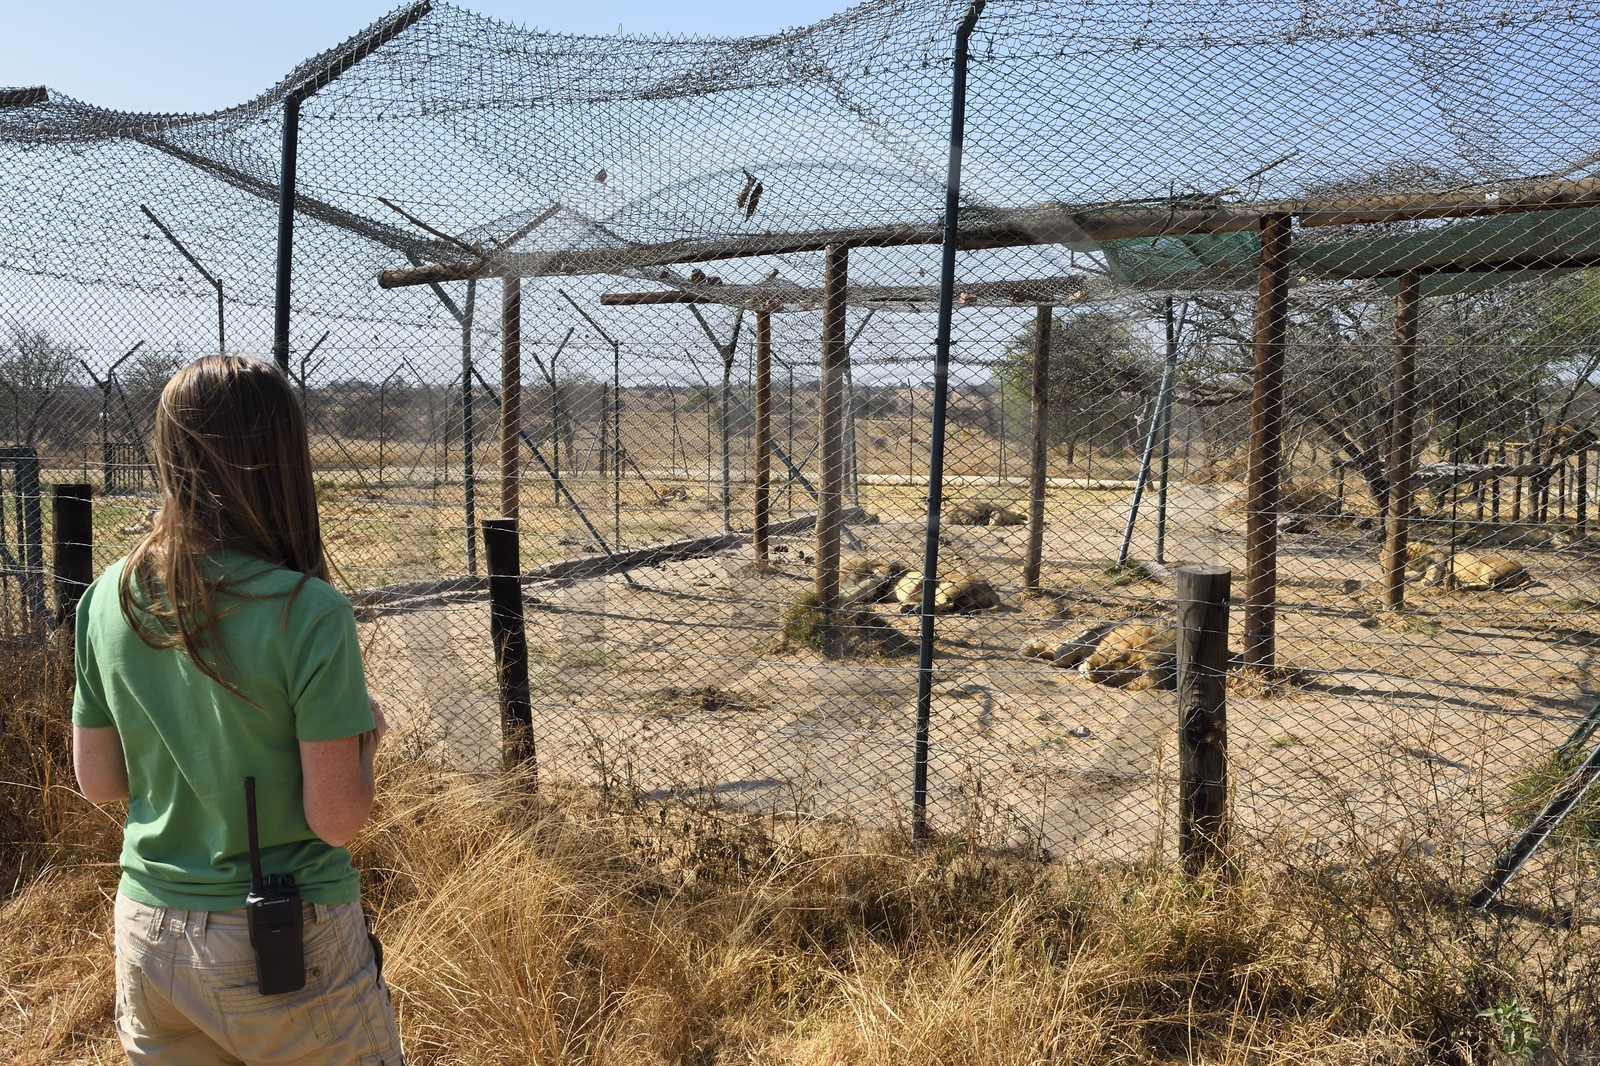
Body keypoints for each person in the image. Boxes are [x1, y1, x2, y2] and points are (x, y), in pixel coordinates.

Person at [72, 354, 404, 1065]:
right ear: (282, 456)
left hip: (146, 929)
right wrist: (365, 746)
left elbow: (99, 781)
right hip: (280, 935)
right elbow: (336, 820)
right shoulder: (308, 612)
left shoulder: (106, 598)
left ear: (170, 453)